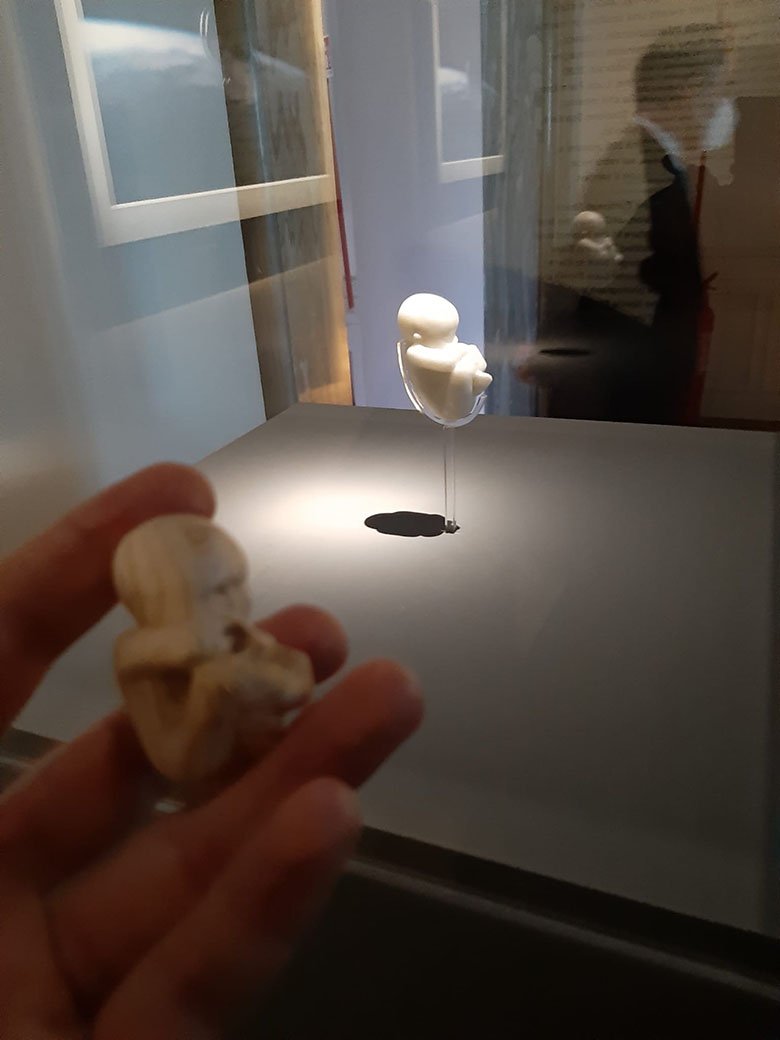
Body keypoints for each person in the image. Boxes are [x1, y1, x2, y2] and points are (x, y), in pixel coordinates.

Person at [0, 463, 423, 1038]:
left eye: (239, 585)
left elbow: (293, 673)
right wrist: (214, 693)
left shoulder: (233, 637)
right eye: (221, 591)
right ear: (161, 599)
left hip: (251, 758)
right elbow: (177, 752)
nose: (240, 601)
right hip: (191, 771)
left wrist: (277, 680)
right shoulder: (148, 654)